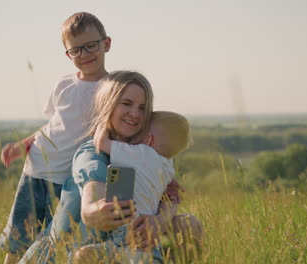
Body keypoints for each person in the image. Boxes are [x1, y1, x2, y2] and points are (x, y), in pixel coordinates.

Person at [20, 71, 203, 264]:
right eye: (126, 103)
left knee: (188, 224)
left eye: (142, 107)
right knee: (88, 254)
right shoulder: (92, 151)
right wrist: (92, 209)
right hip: (69, 250)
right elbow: (93, 185)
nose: (135, 113)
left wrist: (159, 221)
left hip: (126, 246)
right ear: (108, 106)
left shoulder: (150, 156)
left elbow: (172, 196)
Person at [0, 12, 111, 264]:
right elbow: (52, 125)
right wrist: (23, 145)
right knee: (18, 239)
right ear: (68, 54)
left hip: (68, 182)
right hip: (35, 170)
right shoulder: (64, 84)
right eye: (75, 50)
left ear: (107, 43)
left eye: (91, 45)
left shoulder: (111, 88)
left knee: (54, 244)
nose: (84, 54)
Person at [74, 110, 192, 263]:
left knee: (85, 255)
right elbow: (171, 191)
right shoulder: (168, 166)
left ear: (148, 139)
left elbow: (101, 142)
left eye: (140, 133)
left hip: (126, 230)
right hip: (148, 238)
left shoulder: (140, 153)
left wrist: (105, 119)